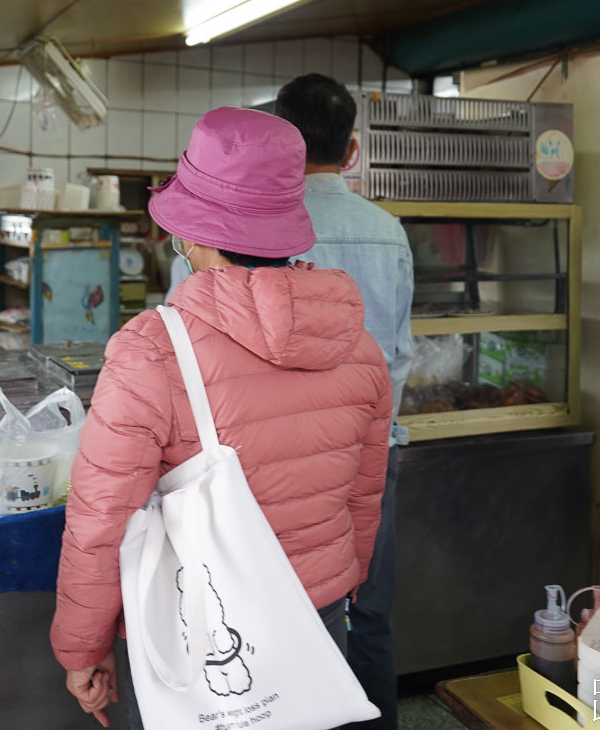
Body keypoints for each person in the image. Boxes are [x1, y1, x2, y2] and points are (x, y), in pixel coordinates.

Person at [50, 107, 393, 727]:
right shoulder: (360, 348)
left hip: (202, 629)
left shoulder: (151, 350)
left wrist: (83, 646)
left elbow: (102, 522)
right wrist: (344, 584)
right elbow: (362, 500)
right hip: (316, 624)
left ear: (195, 235)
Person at [274, 73, 414, 730]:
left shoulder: (250, 230)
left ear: (279, 143)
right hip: (369, 456)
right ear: (352, 149)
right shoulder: (388, 231)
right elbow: (401, 353)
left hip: (277, 465)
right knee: (370, 612)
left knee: (283, 616)